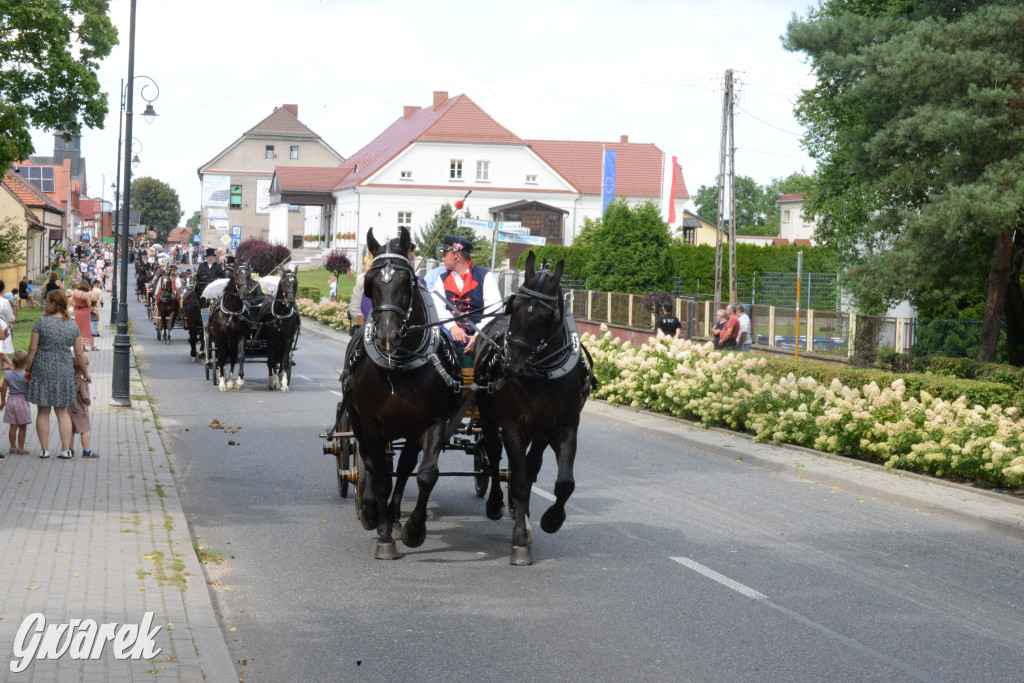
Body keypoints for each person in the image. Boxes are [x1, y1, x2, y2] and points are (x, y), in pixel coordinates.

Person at [25, 289, 89, 459]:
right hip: (64, 370)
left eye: (47, 301)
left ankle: (44, 450)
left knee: (43, 411)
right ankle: (65, 450)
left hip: (42, 369)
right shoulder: (72, 325)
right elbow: (79, 353)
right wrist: (85, 372)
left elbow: (32, 349)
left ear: (54, 304)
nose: (45, 304)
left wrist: (27, 369)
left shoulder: (41, 323)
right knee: (62, 412)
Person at [430, 235, 501, 358]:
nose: (443, 258)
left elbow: (495, 308)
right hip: (449, 333)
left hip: (482, 332)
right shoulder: (441, 280)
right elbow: (437, 307)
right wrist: (452, 327)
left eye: (445, 254)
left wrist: (479, 334)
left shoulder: (485, 277)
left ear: (456, 255)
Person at [1, 349, 31, 456]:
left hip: (10, 401)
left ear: (13, 361)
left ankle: (12, 447)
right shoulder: (26, 375)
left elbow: (4, 388)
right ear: (26, 362)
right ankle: (21, 448)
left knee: (12, 426)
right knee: (22, 426)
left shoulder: (8, 374)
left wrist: (3, 402)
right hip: (22, 402)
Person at [68, 353, 96, 458]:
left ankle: (70, 450)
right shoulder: (82, 383)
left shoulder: (68, 380)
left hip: (69, 410)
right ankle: (86, 451)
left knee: (70, 431)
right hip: (80, 412)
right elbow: (85, 397)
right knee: (83, 431)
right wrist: (88, 402)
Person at [70, 280, 94, 351]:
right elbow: (89, 304)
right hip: (85, 312)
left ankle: (77, 345)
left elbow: (71, 301)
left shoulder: (74, 292)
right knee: (85, 329)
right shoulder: (85, 294)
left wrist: (75, 305)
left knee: (78, 328)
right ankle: (83, 346)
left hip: (77, 311)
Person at [0, 280, 16, 368]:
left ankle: (8, 365)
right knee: (2, 349)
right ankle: (11, 365)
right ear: (3, 289)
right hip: (2, 325)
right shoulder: (4, 301)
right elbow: (11, 318)